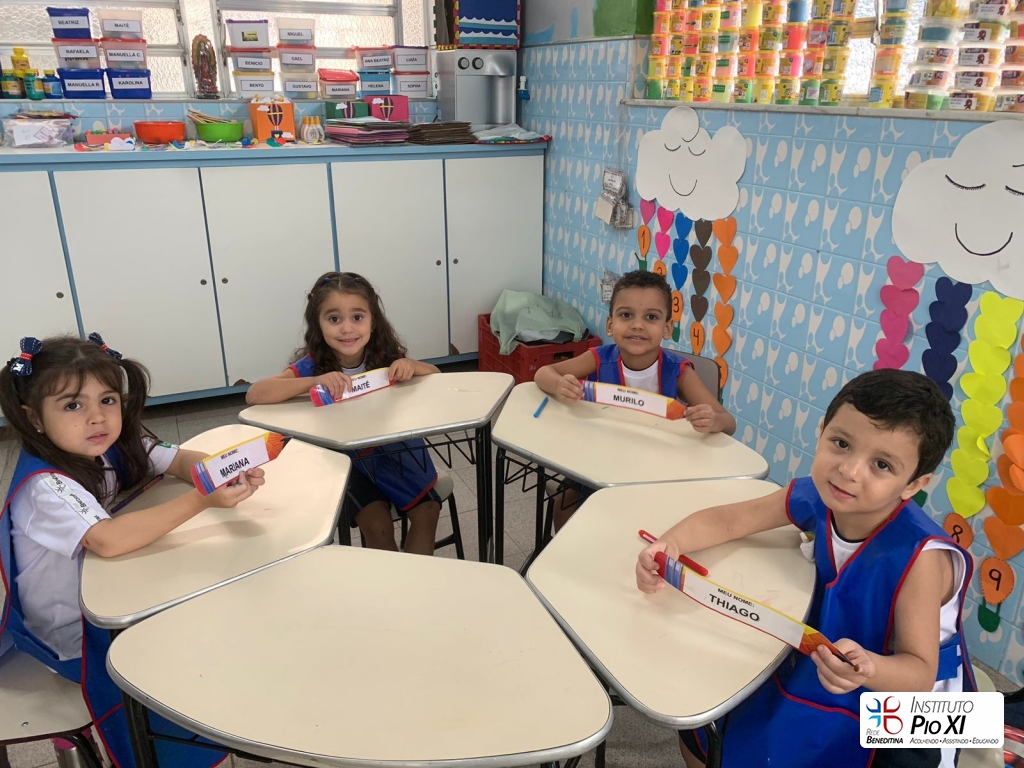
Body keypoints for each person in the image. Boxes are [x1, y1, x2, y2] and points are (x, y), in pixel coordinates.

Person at [636, 369, 975, 768]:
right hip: (840, 657)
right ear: (821, 430)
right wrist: (668, 545)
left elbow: (918, 673)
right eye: (841, 444)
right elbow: (729, 520)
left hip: (914, 704)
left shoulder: (922, 559)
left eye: (882, 465)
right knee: (709, 721)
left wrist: (870, 670)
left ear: (914, 484)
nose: (850, 471)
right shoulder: (818, 494)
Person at [0, 334, 264, 767]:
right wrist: (203, 497)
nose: (97, 418)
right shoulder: (45, 486)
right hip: (73, 632)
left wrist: (224, 470)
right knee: (199, 630)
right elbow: (108, 540)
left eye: (107, 400)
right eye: (73, 405)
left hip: (110, 590)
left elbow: (177, 459)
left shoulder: (108, 446)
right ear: (35, 419)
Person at [247, 271, 442, 554]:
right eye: (334, 319)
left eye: (357, 317)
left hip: (393, 452)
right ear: (318, 324)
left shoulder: (383, 357)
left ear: (373, 321)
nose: (347, 329)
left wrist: (410, 365)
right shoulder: (313, 365)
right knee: (378, 525)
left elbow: (436, 375)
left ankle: (413, 579)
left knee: (428, 512)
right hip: (346, 460)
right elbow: (255, 394)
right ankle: (389, 580)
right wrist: (313, 381)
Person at [535, 270, 736, 530]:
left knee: (645, 520)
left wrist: (712, 421)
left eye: (651, 317)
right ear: (610, 325)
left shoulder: (678, 372)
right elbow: (543, 373)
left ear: (667, 328)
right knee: (563, 504)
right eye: (626, 315)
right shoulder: (598, 358)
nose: (637, 325)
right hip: (599, 462)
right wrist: (559, 384)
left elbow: (728, 422)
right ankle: (568, 551)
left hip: (657, 471)